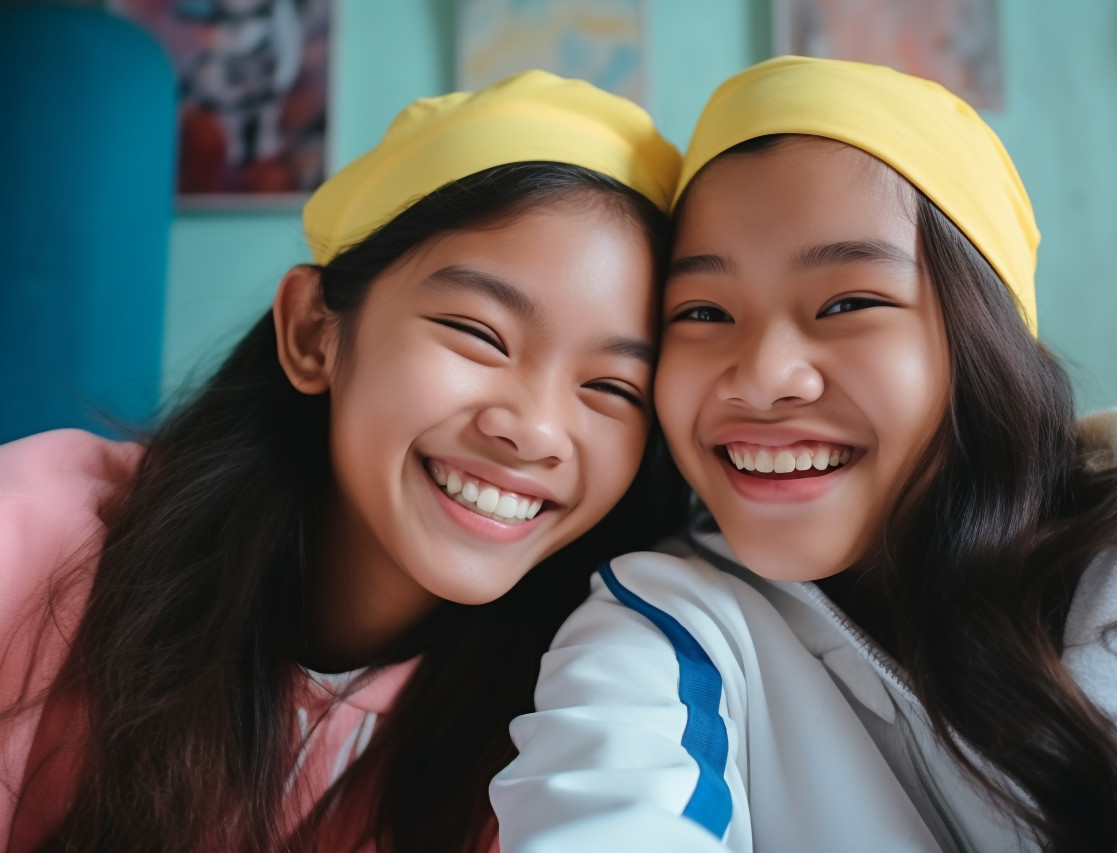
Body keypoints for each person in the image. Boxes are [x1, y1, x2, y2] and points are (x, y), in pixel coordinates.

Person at [491, 56, 1117, 853]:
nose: (763, 376)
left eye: (849, 302)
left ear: (985, 339)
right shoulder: (663, 623)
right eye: (702, 310)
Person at [0, 69, 682, 853]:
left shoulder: (579, 709)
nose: (535, 430)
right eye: (479, 333)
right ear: (313, 332)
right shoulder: (35, 533)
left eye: (612, 386)